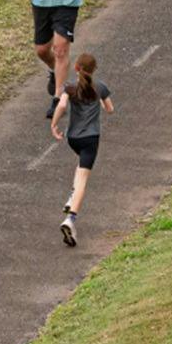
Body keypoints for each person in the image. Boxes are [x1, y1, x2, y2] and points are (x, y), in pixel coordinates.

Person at [49, 51, 113, 246]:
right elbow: (110, 109)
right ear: (94, 70)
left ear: (76, 68)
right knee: (84, 178)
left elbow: (61, 107)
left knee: (80, 168)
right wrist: (101, 101)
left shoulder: (70, 88)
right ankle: (71, 219)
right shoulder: (100, 87)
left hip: (73, 138)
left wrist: (54, 125)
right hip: (91, 139)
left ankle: (71, 197)